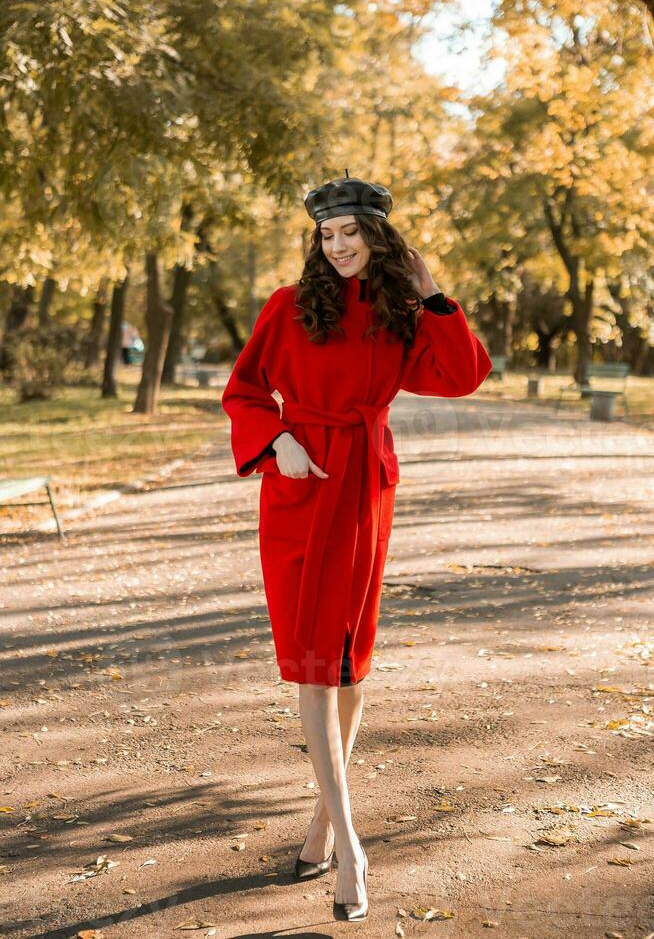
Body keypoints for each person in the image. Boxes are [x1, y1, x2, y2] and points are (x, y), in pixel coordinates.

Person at [220, 173, 492, 922]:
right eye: (327, 234)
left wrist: (434, 295)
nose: (338, 247)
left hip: (365, 485)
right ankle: (350, 845)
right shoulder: (286, 306)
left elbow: (462, 375)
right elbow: (243, 391)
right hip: (300, 488)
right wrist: (278, 443)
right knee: (313, 661)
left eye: (351, 233)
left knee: (348, 656)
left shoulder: (402, 314)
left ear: (378, 237)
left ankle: (320, 826)